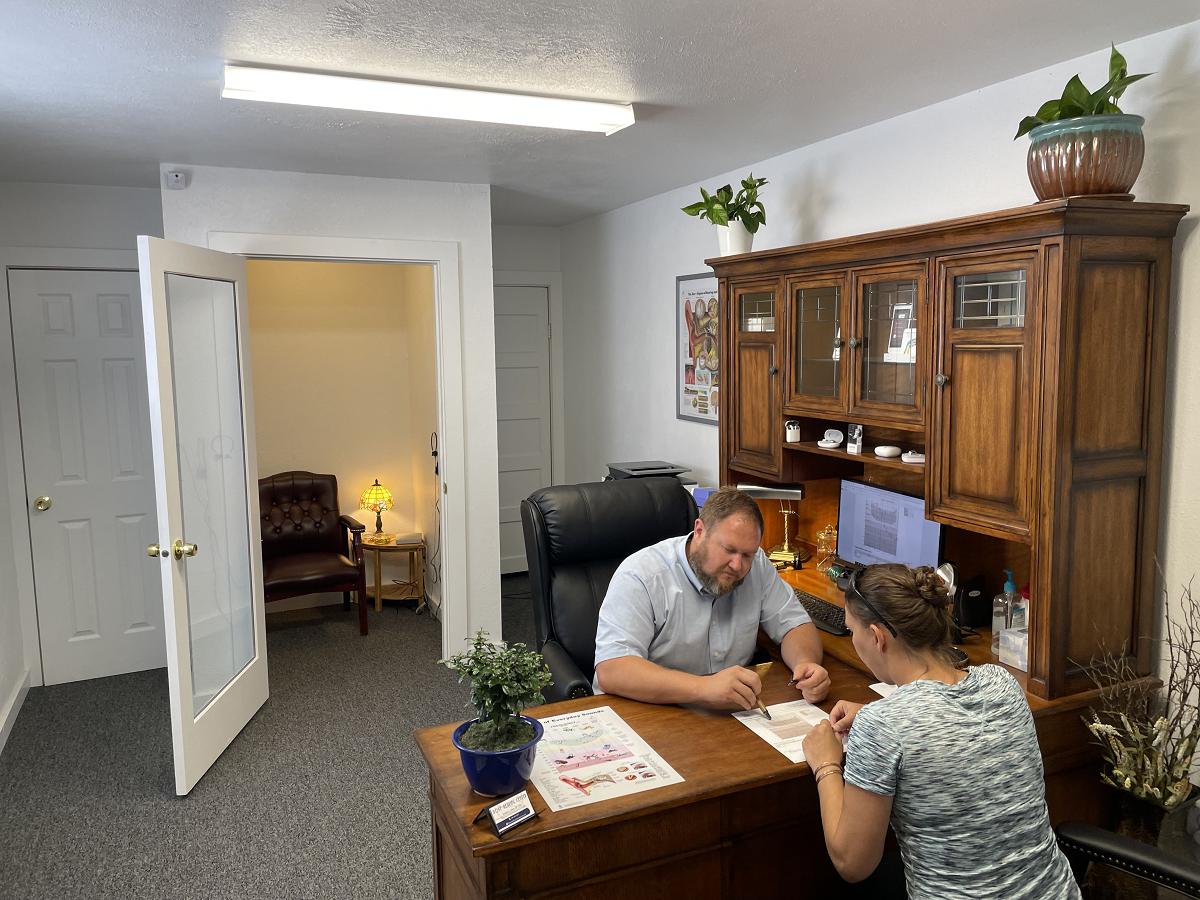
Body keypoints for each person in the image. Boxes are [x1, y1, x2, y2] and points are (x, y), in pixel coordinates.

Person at [800, 564, 1081, 899]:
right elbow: (941, 725)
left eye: (852, 631)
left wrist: (826, 764)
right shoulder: (1002, 683)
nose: (853, 640)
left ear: (877, 637)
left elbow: (852, 863)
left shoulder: (883, 727)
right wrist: (876, 716)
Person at [592, 487, 830, 710]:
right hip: (646, 711)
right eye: (728, 550)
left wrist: (806, 665)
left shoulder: (756, 566)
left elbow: (795, 625)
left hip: (725, 714)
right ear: (699, 531)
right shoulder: (642, 575)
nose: (737, 565)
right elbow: (613, 669)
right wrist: (704, 688)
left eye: (747, 554)